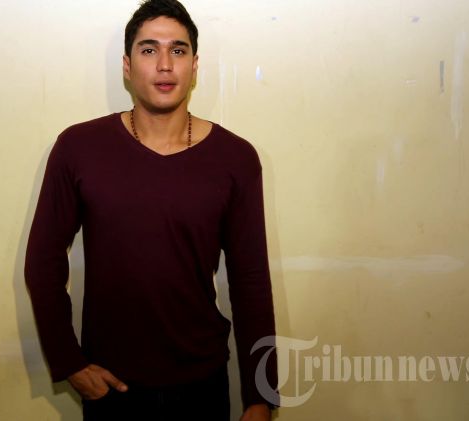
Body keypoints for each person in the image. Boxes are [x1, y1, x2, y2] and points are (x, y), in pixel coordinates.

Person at [24, 0, 278, 419]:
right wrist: (68, 362)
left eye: (178, 50)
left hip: (202, 384)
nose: (164, 64)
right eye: (148, 50)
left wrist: (260, 395)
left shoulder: (235, 158)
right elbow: (43, 261)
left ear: (194, 66)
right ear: (127, 66)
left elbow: (250, 280)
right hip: (110, 388)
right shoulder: (79, 148)